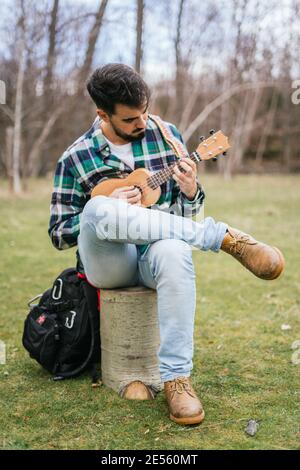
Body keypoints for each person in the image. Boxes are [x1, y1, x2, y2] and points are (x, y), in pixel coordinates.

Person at [48, 63, 284, 426]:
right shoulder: (76, 157)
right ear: (103, 114)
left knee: (174, 249)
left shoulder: (165, 135)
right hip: (109, 263)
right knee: (98, 206)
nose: (142, 122)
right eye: (130, 119)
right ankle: (218, 236)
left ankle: (177, 379)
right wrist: (112, 210)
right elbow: (60, 232)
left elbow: (183, 214)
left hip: (153, 256)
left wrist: (190, 190)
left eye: (145, 111)